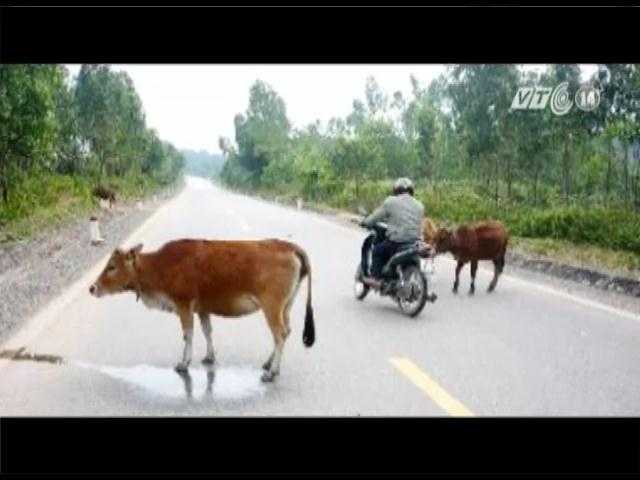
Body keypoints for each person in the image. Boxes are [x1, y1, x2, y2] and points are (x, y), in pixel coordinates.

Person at [360, 177, 424, 280]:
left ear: (396, 190)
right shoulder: (419, 205)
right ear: (412, 191)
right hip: (414, 243)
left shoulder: (390, 202)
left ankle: (376, 277)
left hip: (397, 242)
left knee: (377, 251)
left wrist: (365, 222)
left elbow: (375, 217)